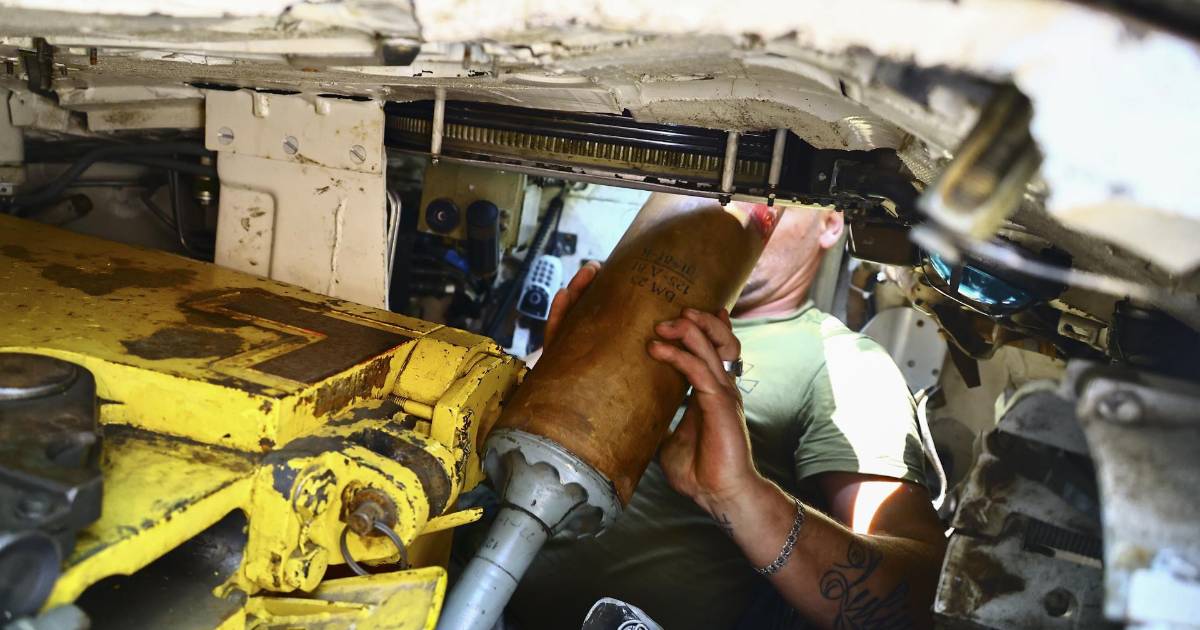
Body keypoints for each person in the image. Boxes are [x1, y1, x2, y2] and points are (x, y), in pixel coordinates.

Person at [506, 196, 947, 629]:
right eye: (724, 188)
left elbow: (923, 598)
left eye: (774, 195)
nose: (734, 205)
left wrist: (738, 494)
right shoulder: (636, 304)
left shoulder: (843, 363)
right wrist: (541, 383)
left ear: (830, 223)